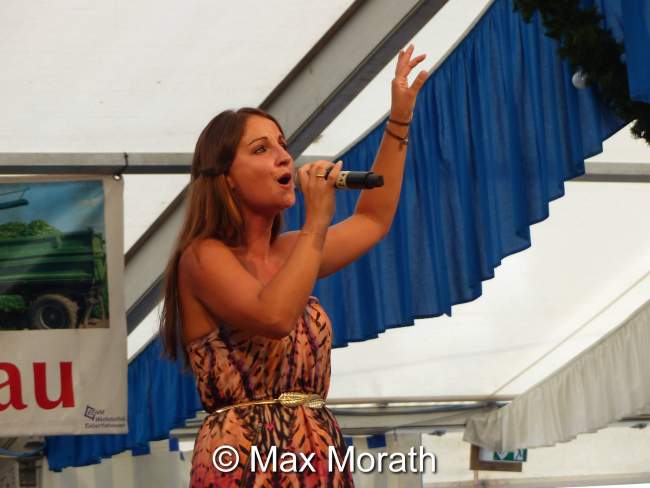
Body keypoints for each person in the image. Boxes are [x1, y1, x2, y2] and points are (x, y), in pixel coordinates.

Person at [159, 44, 428, 487]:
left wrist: (399, 120)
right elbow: (274, 317)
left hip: (314, 453)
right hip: (243, 459)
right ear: (226, 177)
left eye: (283, 145)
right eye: (261, 149)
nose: (284, 156)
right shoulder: (203, 257)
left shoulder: (290, 252)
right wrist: (317, 221)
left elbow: (372, 220)